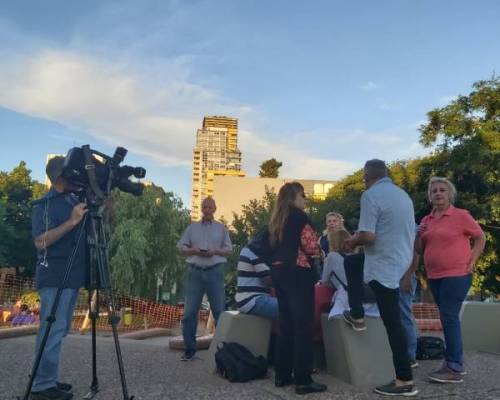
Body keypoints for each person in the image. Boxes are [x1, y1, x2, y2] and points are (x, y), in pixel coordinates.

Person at [343, 159, 418, 397]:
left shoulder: (371, 195)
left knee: (392, 324)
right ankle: (357, 313)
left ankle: (404, 380)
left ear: (366, 176)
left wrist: (352, 240)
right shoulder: (402, 195)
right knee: (353, 262)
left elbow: (369, 236)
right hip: (401, 262)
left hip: (384, 266)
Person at [416, 177, 485, 383]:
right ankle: (451, 362)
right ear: (430, 196)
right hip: (434, 276)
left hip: (457, 273)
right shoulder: (426, 221)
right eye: (434, 190)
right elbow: (419, 249)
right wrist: (418, 235)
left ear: (450, 194)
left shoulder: (461, 215)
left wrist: (472, 260)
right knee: (446, 318)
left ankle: (455, 367)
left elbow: (480, 237)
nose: (438, 193)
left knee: (449, 317)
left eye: (442, 190)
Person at [30, 156, 88, 400]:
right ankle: (42, 386)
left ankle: (47, 379)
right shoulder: (44, 203)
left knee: (59, 330)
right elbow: (40, 241)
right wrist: (72, 221)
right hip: (54, 274)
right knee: (52, 330)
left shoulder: (73, 199)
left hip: (72, 274)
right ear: (61, 177)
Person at [268, 182, 327, 395]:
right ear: (293, 197)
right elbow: (310, 246)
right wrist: (319, 249)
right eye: (303, 195)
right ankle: (303, 380)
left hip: (280, 274)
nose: (305, 200)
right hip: (299, 273)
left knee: (286, 325)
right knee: (303, 327)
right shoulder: (300, 217)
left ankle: (282, 376)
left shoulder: (277, 221)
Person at [177, 197, 232, 361]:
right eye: (204, 207)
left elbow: (229, 250)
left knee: (219, 312)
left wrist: (215, 251)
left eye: (210, 207)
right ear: (201, 209)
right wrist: (193, 250)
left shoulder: (221, 229)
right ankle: (189, 350)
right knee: (189, 313)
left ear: (215, 209)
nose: (207, 209)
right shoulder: (192, 228)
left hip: (215, 272)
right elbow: (180, 247)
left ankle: (222, 351)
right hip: (195, 272)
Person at [235, 231, 278, 319]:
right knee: (290, 308)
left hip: (252, 299)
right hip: (253, 300)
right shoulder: (254, 252)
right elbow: (269, 280)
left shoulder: (251, 249)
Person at [399, 250, 420, 369]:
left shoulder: (410, 232)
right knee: (403, 316)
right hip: (400, 275)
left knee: (404, 316)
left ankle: (410, 356)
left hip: (404, 276)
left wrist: (407, 277)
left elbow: (415, 253)